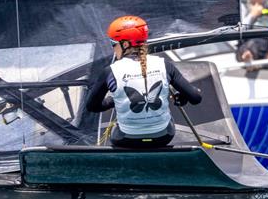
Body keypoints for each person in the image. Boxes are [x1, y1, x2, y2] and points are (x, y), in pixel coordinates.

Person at [86, 16, 202, 148]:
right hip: (163, 137)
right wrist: (183, 96)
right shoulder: (164, 65)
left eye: (114, 44)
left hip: (125, 140)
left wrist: (113, 101)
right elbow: (196, 98)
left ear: (125, 44)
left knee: (121, 129)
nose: (113, 49)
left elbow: (92, 107)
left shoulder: (110, 71)